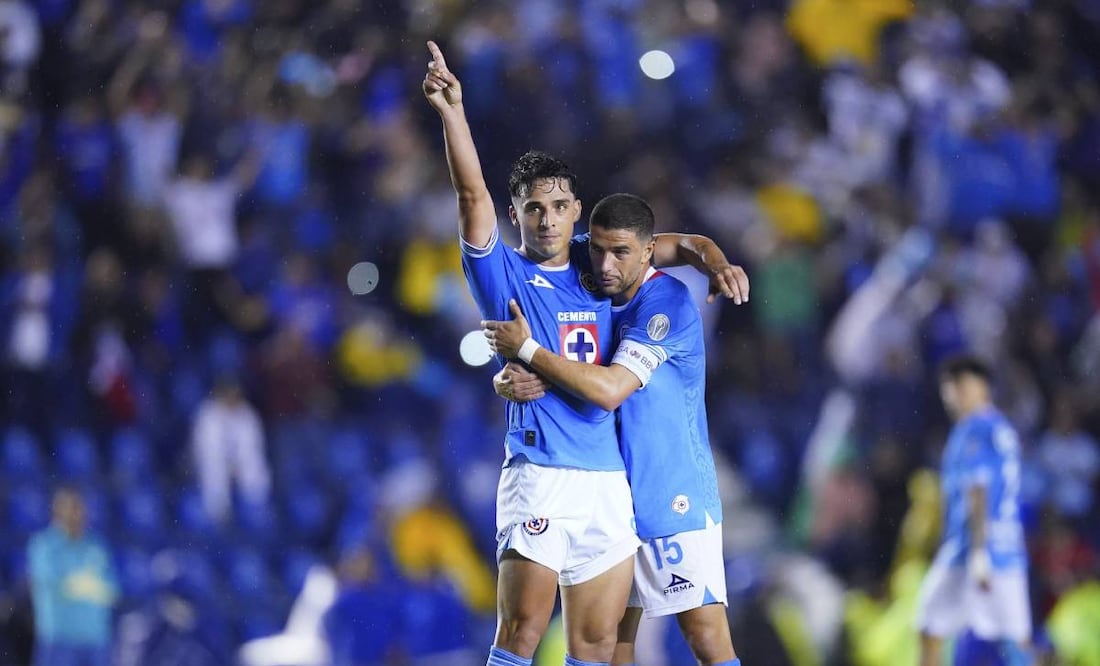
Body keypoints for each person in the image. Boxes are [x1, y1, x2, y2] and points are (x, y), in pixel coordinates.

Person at [422, 41, 746, 666]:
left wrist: (714, 258)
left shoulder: (596, 262)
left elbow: (665, 245)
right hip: (540, 474)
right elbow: (471, 198)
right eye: (532, 208)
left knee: (596, 647)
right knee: (521, 633)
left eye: (557, 207)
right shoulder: (503, 275)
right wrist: (452, 113)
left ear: (576, 212)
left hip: (610, 483)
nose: (546, 220)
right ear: (515, 214)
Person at [483, 194, 742, 666]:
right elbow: (686, 244)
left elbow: (609, 390)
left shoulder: (665, 303)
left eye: (620, 252)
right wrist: (505, 381)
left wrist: (527, 351)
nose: (605, 263)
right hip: (611, 493)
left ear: (647, 251)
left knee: (706, 637)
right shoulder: (591, 273)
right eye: (598, 249)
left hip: (670, 489)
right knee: (613, 644)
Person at [914, 357, 1031, 666]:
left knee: (929, 625)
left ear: (982, 387)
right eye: (949, 388)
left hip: (972, 548)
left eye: (961, 387)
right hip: (1008, 547)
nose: (954, 396)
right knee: (1015, 641)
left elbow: (979, 489)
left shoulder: (974, 429)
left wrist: (979, 551)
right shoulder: (1002, 428)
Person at [27, 487, 119, 666]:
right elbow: (52, 584)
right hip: (59, 639)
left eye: (79, 507)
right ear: (58, 511)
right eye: (70, 507)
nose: (76, 513)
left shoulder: (97, 545)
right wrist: (90, 586)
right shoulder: (43, 545)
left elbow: (112, 592)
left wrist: (79, 584)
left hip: (96, 640)